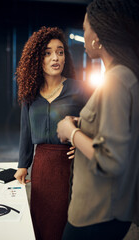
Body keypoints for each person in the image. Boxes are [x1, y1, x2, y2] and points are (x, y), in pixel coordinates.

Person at [57, 0, 139, 239]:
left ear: (98, 36)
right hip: (111, 211)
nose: (83, 34)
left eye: (85, 28)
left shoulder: (116, 80)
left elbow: (111, 160)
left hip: (96, 213)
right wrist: (81, 125)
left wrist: (70, 132)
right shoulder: (125, 76)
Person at [14, 26, 88, 240]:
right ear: (37, 59)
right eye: (47, 53)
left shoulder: (80, 89)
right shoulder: (29, 94)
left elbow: (97, 122)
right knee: (41, 223)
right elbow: (26, 133)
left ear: (65, 57)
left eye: (60, 52)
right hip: (42, 167)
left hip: (71, 167)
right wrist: (22, 165)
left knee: (64, 224)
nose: (55, 57)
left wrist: (82, 141)